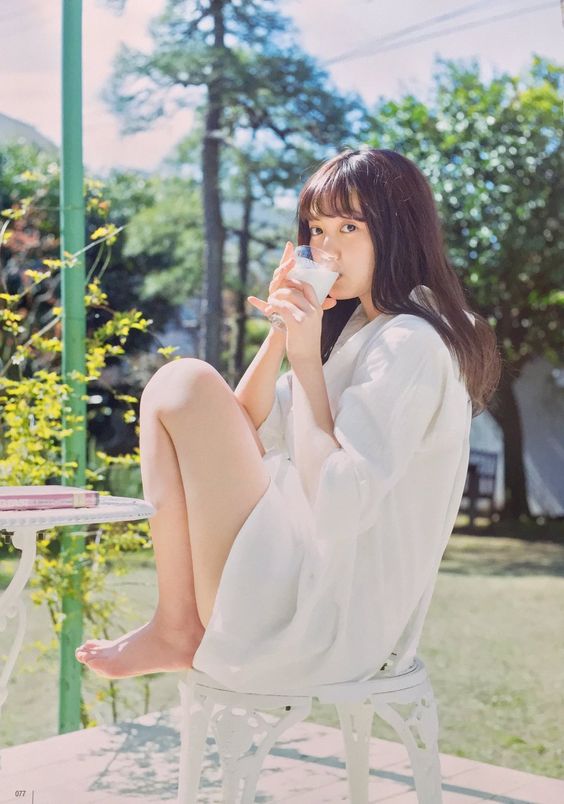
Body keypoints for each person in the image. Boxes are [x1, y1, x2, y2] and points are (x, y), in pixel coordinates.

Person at [75, 147, 501, 691]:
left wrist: (304, 359)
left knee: (186, 381)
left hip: (325, 622)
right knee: (180, 385)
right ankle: (176, 620)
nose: (326, 247)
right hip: (301, 587)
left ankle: (178, 623)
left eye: (349, 226)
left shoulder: (411, 339)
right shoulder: (359, 336)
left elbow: (340, 504)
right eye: (317, 230)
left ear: (400, 231)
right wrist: (282, 332)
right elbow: (241, 430)